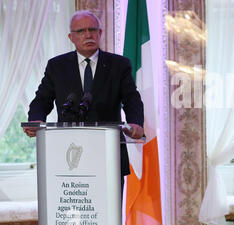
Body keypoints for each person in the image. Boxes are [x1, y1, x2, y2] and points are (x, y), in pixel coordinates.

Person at [23, 10, 144, 188]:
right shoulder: (57, 66)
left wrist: (135, 122)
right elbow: (42, 99)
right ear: (71, 37)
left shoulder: (119, 65)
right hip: (69, 155)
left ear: (100, 33)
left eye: (92, 29)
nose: (88, 35)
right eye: (80, 31)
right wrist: (36, 119)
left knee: (108, 212)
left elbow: (132, 98)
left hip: (108, 153)